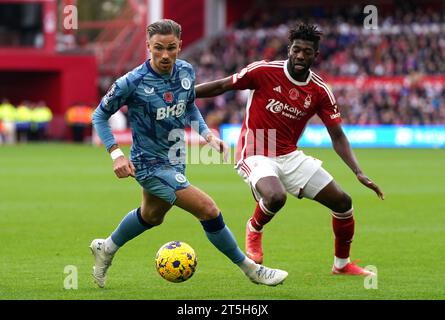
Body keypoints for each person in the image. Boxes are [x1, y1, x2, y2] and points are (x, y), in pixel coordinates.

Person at [90, 19, 288, 288]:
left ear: (180, 46)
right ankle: (251, 269)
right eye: (157, 48)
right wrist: (116, 154)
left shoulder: (185, 71)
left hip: (176, 159)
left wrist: (207, 135)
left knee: (151, 216)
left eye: (171, 48)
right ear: (148, 47)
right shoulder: (132, 82)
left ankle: (107, 248)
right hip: (148, 165)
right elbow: (100, 115)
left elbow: (189, 107)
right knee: (208, 209)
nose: (164, 55)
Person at [195, 23, 384, 276]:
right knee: (275, 197)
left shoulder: (319, 91)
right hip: (255, 150)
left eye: (307, 52)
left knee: (343, 202)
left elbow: (337, 136)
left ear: (316, 56)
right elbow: (222, 86)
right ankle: (254, 228)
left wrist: (358, 172)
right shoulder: (263, 71)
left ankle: (341, 265)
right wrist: (185, 94)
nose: (300, 56)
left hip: (289, 155)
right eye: (296, 50)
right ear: (289, 49)